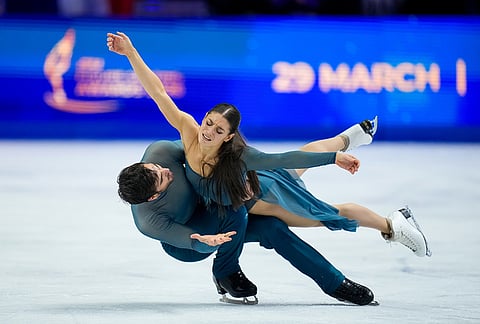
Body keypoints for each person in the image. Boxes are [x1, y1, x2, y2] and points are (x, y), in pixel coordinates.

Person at [107, 31, 429, 257]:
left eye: (218, 129)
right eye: (209, 123)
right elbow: (159, 94)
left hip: (260, 196)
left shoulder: (236, 154)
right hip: (250, 187)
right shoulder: (189, 131)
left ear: (229, 136)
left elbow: (280, 159)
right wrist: (132, 54)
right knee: (303, 159)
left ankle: (393, 225)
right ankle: (351, 137)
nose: (209, 131)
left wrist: (334, 159)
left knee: (326, 214)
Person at [118, 139, 377, 306]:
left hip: (214, 205)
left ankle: (334, 283)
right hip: (189, 242)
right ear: (153, 196)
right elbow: (191, 242)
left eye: (154, 167)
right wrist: (207, 243)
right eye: (161, 177)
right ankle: (225, 271)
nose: (163, 170)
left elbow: (208, 150)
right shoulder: (148, 221)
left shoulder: (160, 152)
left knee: (273, 228)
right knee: (235, 210)